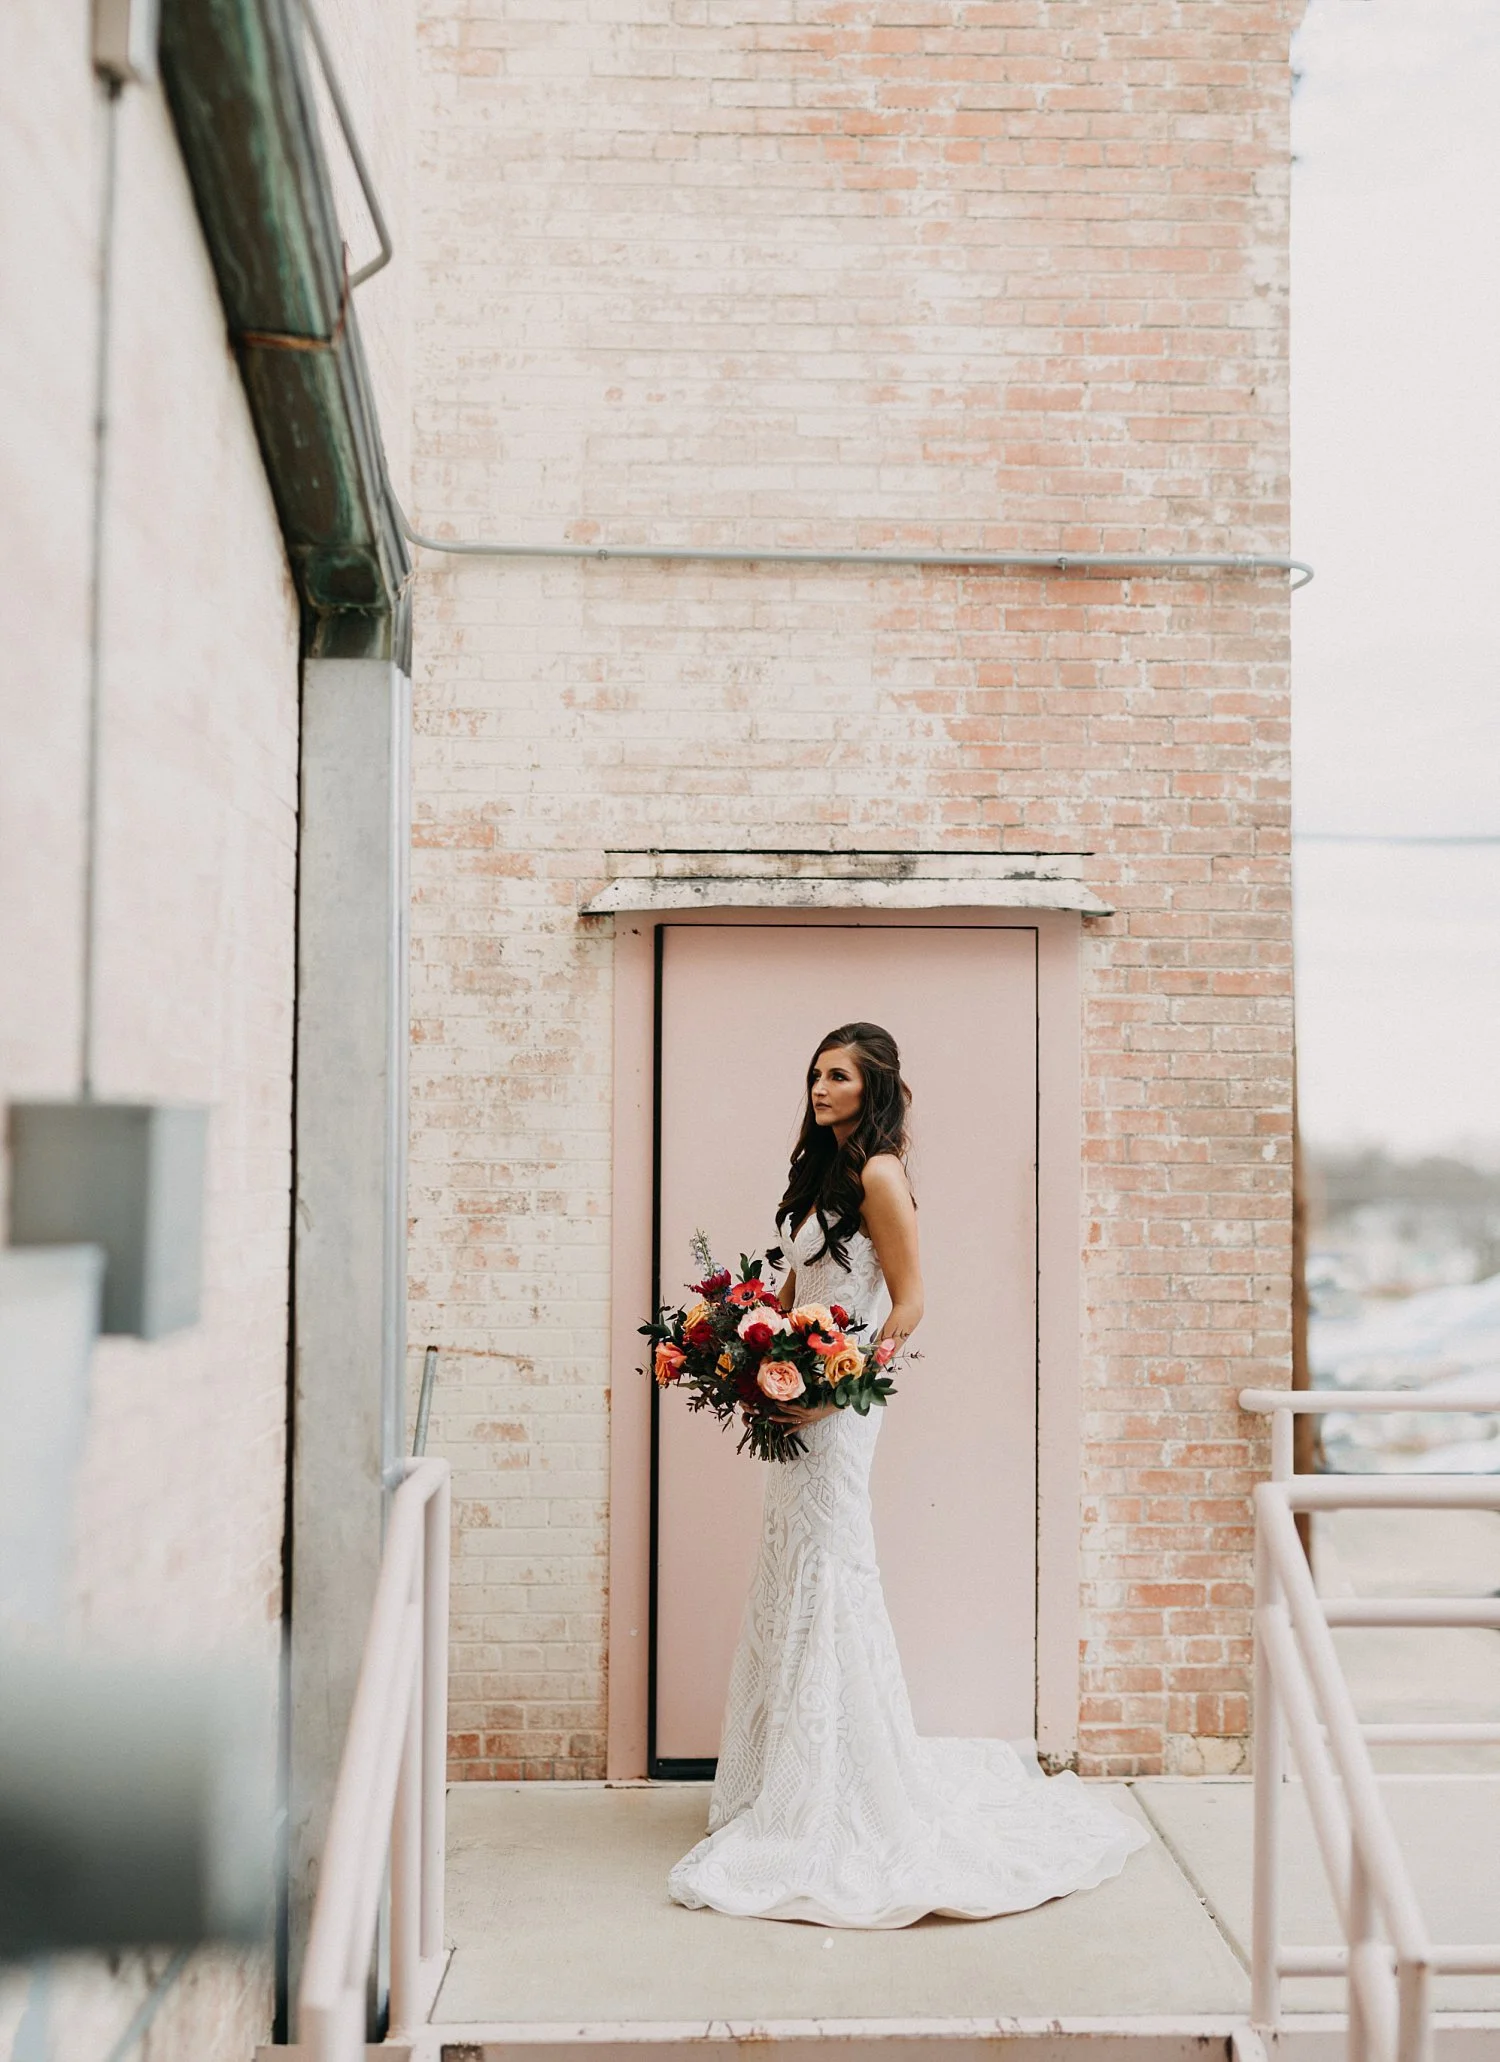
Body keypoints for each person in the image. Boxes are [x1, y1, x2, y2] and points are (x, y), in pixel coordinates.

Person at [667, 1020, 1148, 1927]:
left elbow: (912, 1297)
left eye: (838, 1075)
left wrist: (845, 1377)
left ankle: (844, 1789)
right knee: (791, 1565)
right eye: (813, 1073)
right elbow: (802, 1289)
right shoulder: (821, 1173)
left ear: (873, 1086)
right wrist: (740, 1334)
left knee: (831, 1564)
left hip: (838, 1408)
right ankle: (789, 1777)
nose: (819, 1087)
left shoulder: (881, 1174)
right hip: (793, 1393)